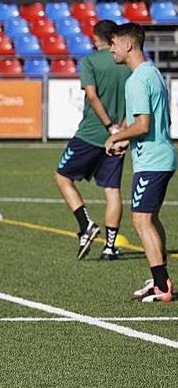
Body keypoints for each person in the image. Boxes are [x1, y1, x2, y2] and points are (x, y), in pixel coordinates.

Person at [105, 22, 176, 302]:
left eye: (114, 44)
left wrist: (116, 137)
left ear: (128, 45)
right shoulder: (153, 73)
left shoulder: (135, 79)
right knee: (151, 219)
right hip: (163, 156)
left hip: (152, 162)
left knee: (141, 220)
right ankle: (162, 279)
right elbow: (160, 121)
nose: (111, 49)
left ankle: (161, 287)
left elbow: (143, 124)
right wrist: (127, 140)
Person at [55, 20, 131, 260]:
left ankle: (85, 224)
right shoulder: (127, 63)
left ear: (95, 37)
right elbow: (134, 101)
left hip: (91, 133)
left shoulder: (89, 61)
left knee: (62, 176)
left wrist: (108, 126)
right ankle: (110, 247)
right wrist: (121, 132)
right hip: (119, 136)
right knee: (112, 190)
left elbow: (91, 95)